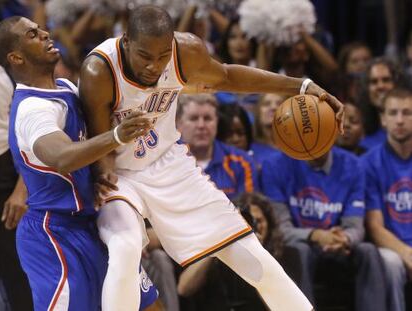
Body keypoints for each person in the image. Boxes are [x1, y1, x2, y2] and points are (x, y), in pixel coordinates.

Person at [79, 5, 344, 311]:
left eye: (162, 55)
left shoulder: (185, 51)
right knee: (124, 249)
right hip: (119, 172)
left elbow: (228, 76)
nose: (154, 66)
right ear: (125, 41)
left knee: (252, 255)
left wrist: (302, 85)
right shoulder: (99, 70)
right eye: (144, 56)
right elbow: (101, 145)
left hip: (168, 164)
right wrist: (102, 175)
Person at [0, 16, 159, 310]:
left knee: (147, 304)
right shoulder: (33, 110)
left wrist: (99, 173)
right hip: (54, 234)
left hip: (88, 221)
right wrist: (117, 136)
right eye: (33, 34)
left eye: (41, 29)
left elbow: (61, 153)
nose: (45, 33)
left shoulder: (64, 87)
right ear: (16, 57)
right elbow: (61, 157)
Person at [261, 147, 387, 311]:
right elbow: (281, 229)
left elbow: (355, 226)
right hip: (302, 245)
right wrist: (315, 235)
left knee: (368, 251)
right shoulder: (274, 165)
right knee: (299, 251)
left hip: (337, 246)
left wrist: (344, 239)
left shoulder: (353, 165)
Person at [363, 88, 412, 311]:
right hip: (392, 247)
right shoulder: (368, 163)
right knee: (390, 263)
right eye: (393, 113)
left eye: (406, 113)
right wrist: (406, 253)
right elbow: (374, 227)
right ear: (383, 119)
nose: (399, 120)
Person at [176, 94, 259, 199]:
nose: (201, 125)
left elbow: (249, 210)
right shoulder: (164, 162)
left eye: (207, 118)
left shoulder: (243, 162)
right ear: (179, 124)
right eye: (193, 118)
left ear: (217, 122)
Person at [0, 63, 33, 310]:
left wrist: (22, 188)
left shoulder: (7, 69)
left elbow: (26, 133)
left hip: (5, 174)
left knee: (18, 275)